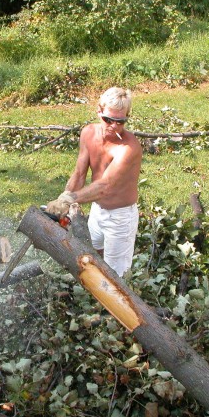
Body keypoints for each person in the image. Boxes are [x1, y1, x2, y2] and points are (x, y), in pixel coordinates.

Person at [47, 87, 142, 276]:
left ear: (127, 118)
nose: (113, 126)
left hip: (120, 218)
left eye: (120, 122)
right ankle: (93, 302)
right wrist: (62, 200)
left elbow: (104, 187)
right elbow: (80, 173)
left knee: (116, 276)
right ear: (99, 111)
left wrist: (70, 198)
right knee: (92, 258)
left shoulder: (129, 148)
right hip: (97, 211)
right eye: (108, 120)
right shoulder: (88, 133)